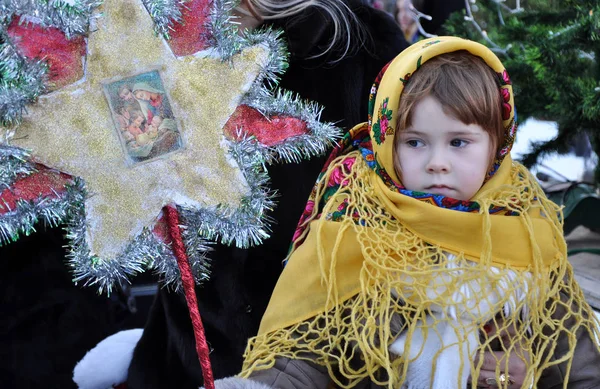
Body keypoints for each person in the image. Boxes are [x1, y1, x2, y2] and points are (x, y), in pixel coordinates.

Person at [213, 37, 600, 388]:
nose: (437, 163)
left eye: (459, 142)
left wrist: (525, 370)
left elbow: (577, 366)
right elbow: (301, 357)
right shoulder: (354, 227)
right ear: (386, 142)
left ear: (497, 144)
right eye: (415, 142)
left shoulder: (527, 232)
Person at [125, 1, 409, 388]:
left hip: (328, 367)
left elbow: (427, 215)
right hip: (185, 366)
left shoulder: (360, 46)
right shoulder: (147, 33)